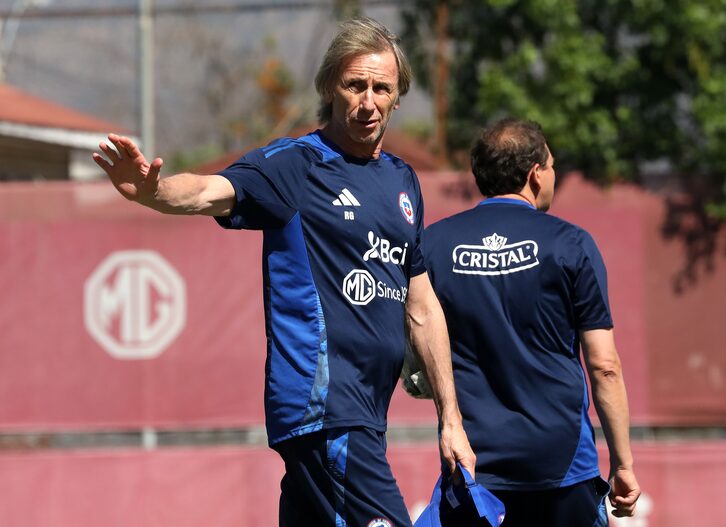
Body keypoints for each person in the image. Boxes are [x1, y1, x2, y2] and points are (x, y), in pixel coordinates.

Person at [92, 17, 474, 527]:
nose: (368, 101)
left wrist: (451, 418)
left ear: (398, 96)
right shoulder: (294, 165)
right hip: (325, 412)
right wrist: (153, 193)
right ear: (329, 89)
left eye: (381, 88)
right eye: (354, 85)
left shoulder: (402, 181)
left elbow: (422, 305)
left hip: (365, 413)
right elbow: (210, 192)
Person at [420, 118, 640, 526]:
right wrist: (623, 463)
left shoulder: (432, 245)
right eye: (552, 166)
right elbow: (604, 367)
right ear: (535, 174)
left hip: (473, 466)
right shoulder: (571, 244)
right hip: (561, 468)